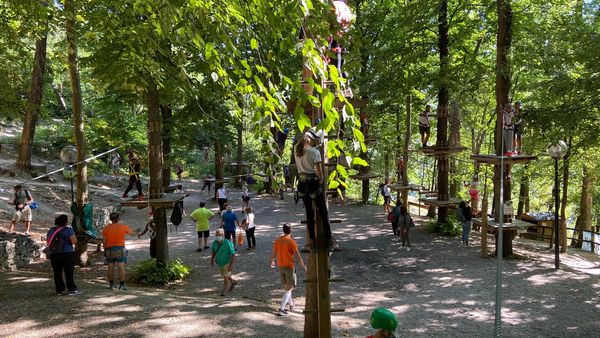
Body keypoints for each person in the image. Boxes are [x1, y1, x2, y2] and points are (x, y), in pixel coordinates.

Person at [294, 130, 334, 250]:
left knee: (309, 214)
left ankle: (312, 242)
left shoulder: (297, 150)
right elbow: (319, 171)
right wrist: (321, 180)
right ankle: (329, 240)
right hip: (312, 184)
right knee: (323, 212)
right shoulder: (314, 152)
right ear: (311, 140)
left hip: (301, 185)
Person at [270, 223, 306, 316]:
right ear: (291, 230)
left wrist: (272, 261)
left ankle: (291, 304)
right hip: (289, 267)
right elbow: (298, 256)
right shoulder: (291, 242)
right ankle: (281, 309)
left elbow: (274, 252)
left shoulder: (278, 240)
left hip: (280, 266)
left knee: (287, 287)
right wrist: (304, 267)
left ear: (283, 230)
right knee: (289, 288)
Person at [47, 214, 80, 295]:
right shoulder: (69, 230)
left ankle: (59, 289)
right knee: (68, 272)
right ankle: (71, 288)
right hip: (67, 253)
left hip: (54, 254)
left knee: (57, 273)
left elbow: (48, 241)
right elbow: (74, 241)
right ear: (65, 222)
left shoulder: (51, 230)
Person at [102, 212, 135, 290]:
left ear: (110, 219)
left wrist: (105, 250)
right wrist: (138, 231)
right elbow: (133, 233)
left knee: (110, 267)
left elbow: (104, 241)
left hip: (109, 250)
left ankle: (111, 284)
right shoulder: (123, 226)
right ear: (118, 218)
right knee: (121, 267)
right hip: (120, 249)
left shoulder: (106, 228)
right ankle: (122, 285)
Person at [210, 228, 237, 296]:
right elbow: (213, 251)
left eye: (219, 235)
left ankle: (224, 290)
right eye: (216, 235)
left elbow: (233, 254)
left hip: (227, 262)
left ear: (223, 235)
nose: (218, 237)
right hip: (220, 263)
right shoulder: (215, 242)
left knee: (225, 277)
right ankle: (233, 281)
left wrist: (231, 265)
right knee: (226, 275)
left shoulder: (228, 243)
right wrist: (212, 260)